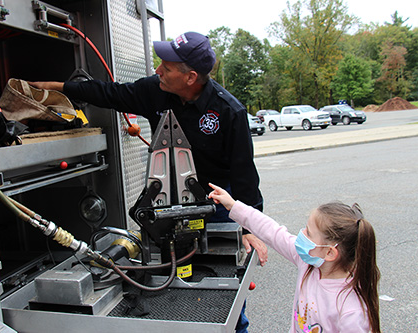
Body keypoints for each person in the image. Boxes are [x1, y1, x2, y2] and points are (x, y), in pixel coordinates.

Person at [30, 31, 267, 332]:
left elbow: (245, 175)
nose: (157, 71)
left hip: (215, 205)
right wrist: (55, 88)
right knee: (167, 280)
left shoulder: (229, 112)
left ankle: (236, 327)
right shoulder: (154, 91)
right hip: (167, 202)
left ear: (190, 77)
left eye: (165, 67)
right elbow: (109, 93)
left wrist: (250, 228)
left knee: (223, 285)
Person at [208, 183, 381, 333]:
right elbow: (272, 232)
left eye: (309, 233)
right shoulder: (308, 262)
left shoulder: (352, 310)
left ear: (329, 253)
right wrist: (233, 205)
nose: (301, 235)